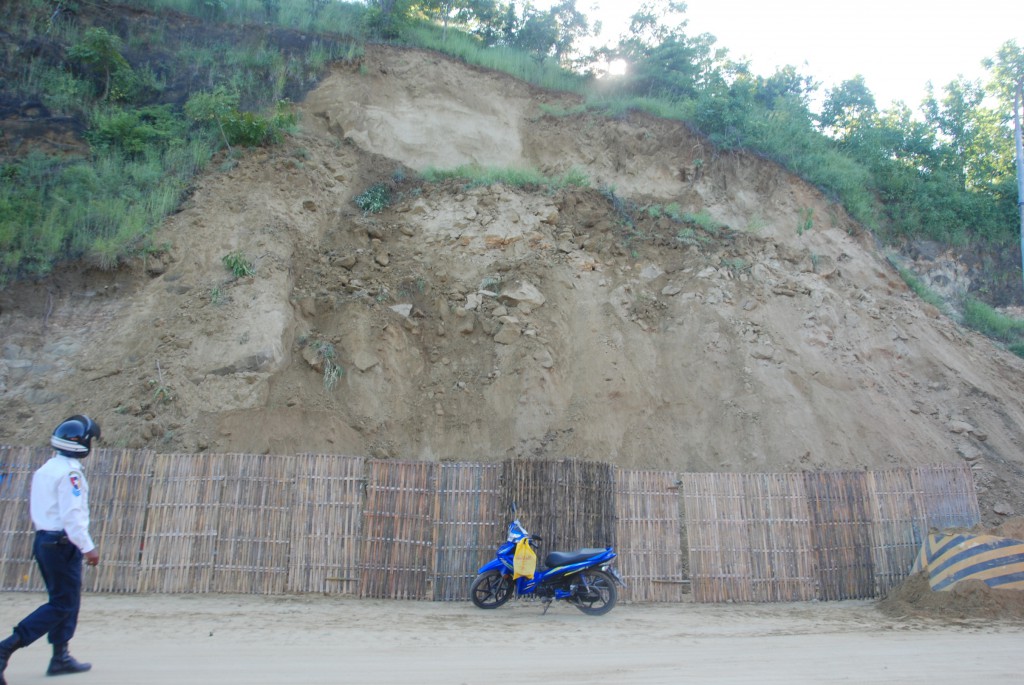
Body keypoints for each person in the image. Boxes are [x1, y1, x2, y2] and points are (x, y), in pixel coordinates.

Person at [0, 415, 101, 684]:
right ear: (80, 444)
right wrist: (88, 547)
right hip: (62, 543)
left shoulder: (46, 469)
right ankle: (7, 647)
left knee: (66, 600)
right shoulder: (70, 474)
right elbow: (72, 516)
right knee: (61, 604)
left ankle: (60, 657)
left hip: (45, 541)